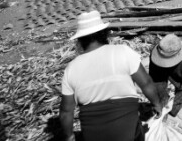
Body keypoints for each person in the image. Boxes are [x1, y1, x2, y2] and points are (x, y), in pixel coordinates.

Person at [59, 10, 163, 141]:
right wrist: (156, 104)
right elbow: (146, 83)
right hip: (127, 131)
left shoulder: (71, 68)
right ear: (105, 34)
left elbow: (66, 112)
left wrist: (69, 136)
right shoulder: (122, 52)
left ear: (80, 40)